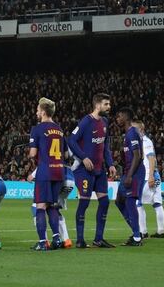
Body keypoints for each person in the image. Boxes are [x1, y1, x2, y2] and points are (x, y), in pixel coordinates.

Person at [66, 93, 118, 248]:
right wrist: (83, 157)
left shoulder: (105, 122)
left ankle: (98, 239)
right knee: (84, 203)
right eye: (106, 104)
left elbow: (105, 146)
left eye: (109, 104)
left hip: (99, 170)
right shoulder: (85, 122)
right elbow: (71, 140)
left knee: (104, 202)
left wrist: (110, 164)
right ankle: (80, 240)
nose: (109, 107)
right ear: (97, 105)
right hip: (84, 170)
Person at [28, 97, 66, 251]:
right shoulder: (59, 129)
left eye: (38, 110)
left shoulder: (37, 129)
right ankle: (57, 238)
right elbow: (65, 152)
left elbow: (32, 153)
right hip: (59, 170)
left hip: (45, 170)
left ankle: (43, 241)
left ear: (43, 112)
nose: (37, 112)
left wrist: (32, 153)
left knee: (40, 206)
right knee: (52, 205)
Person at [115, 108, 144, 246]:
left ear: (126, 118)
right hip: (128, 171)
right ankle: (136, 231)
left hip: (134, 172)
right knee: (119, 201)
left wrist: (130, 176)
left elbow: (138, 156)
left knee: (130, 201)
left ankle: (137, 237)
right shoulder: (127, 134)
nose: (117, 118)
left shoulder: (132, 133)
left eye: (119, 116)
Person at [134, 121, 164, 239]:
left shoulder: (145, 142)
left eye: (135, 129)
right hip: (155, 175)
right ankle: (160, 231)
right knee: (157, 204)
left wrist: (151, 176)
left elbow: (151, 158)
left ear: (141, 129)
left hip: (149, 177)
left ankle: (143, 232)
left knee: (138, 203)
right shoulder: (143, 141)